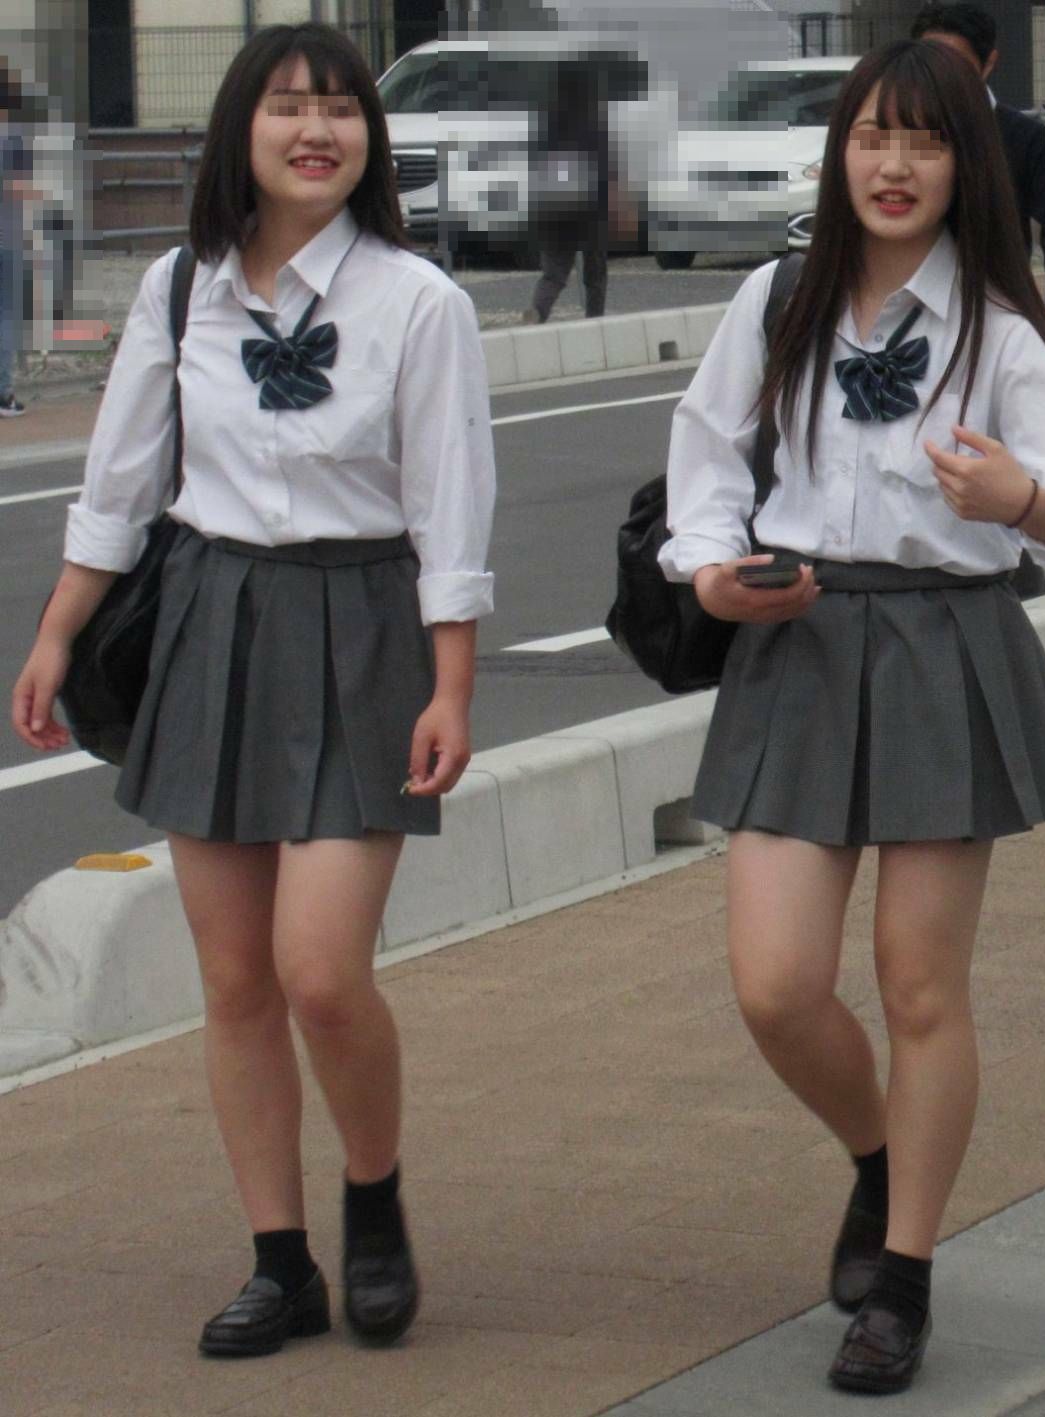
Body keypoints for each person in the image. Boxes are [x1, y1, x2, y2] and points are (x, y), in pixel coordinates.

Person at [12, 23, 495, 1359]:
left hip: (364, 626)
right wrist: (55, 636)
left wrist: (453, 683)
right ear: (241, 130)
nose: (316, 130)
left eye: (340, 108)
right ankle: (280, 1264)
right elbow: (120, 484)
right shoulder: (183, 288)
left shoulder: (418, 303)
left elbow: (451, 504)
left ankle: (374, 1200)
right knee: (233, 979)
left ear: (369, 140)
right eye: (287, 105)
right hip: (213, 621)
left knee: (321, 973)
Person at [658, 39, 1045, 1395]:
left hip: (942, 645)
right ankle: (878, 1155)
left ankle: (905, 1277)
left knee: (921, 984)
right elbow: (703, 459)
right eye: (872, 136)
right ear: (840, 152)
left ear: (962, 163)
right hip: (800, 642)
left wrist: (1020, 502)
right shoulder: (775, 298)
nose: (893, 164)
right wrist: (712, 571)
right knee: (776, 984)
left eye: (924, 141)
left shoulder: (998, 326)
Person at [911, 1, 1045, 341]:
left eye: (956, 63)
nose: (941, 75)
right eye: (929, 61)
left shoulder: (1027, 138)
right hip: (908, 309)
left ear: (988, 63)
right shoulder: (897, 137)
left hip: (994, 311)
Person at [523, 59, 611, 324]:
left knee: (554, 274)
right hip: (587, 210)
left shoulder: (546, 122)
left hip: (551, 208)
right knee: (595, 273)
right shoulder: (593, 122)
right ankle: (594, 320)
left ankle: (537, 311)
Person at [0, 60, 32, 417]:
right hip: (7, 235)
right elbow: (20, 187)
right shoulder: (14, 136)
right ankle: (3, 392)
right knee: (6, 315)